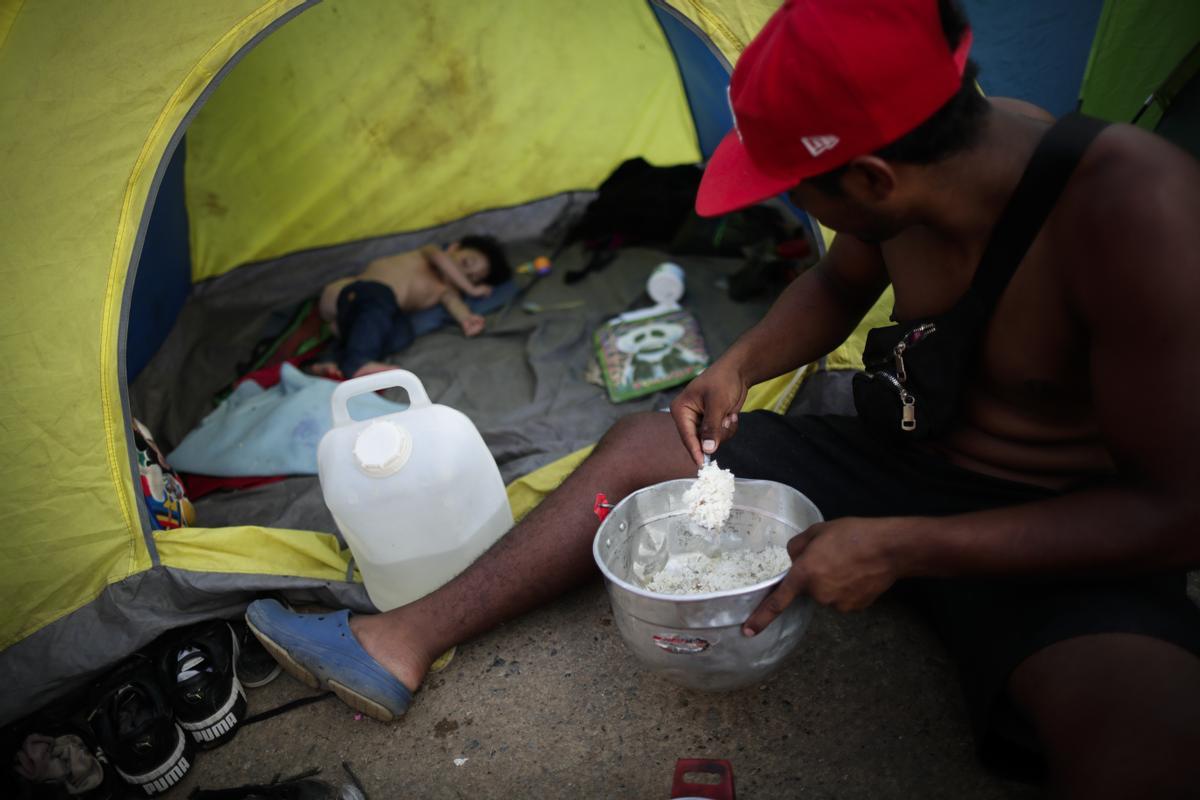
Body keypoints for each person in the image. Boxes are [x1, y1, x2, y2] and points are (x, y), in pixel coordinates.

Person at [247, 0, 1200, 795]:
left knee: (1140, 750)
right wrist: (736, 365)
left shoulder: (1138, 215)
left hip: (1058, 536)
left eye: (800, 191)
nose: (794, 208)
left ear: (869, 176)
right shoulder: (916, 171)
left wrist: (904, 545)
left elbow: (1175, 515)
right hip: (909, 457)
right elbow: (838, 282)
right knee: (646, 448)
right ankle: (398, 640)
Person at [311, 236, 509, 379]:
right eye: (466, 262)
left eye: (472, 276)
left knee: (402, 333)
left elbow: (454, 304)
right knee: (381, 296)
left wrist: (467, 319)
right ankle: (357, 363)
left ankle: (329, 362)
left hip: (361, 321)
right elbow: (440, 258)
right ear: (454, 247)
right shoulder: (427, 252)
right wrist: (472, 289)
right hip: (349, 294)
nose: (463, 273)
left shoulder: (444, 290)